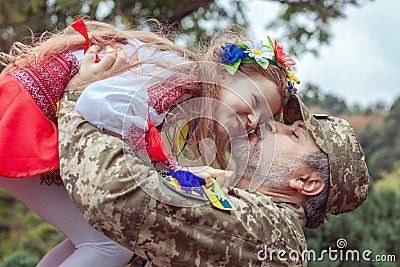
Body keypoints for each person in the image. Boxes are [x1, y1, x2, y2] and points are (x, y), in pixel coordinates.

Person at [0, 17, 299, 265]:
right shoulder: (179, 78)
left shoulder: (182, 85)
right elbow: (97, 104)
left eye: (261, 120)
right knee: (111, 243)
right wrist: (167, 173)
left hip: (31, 112)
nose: (252, 121)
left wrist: (173, 173)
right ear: (224, 74)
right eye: (255, 101)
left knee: (94, 236)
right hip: (26, 118)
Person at [58, 91, 369, 266]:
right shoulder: (263, 221)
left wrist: (78, 102)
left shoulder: (269, 231)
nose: (273, 126)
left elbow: (117, 193)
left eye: (294, 133)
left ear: (307, 182)